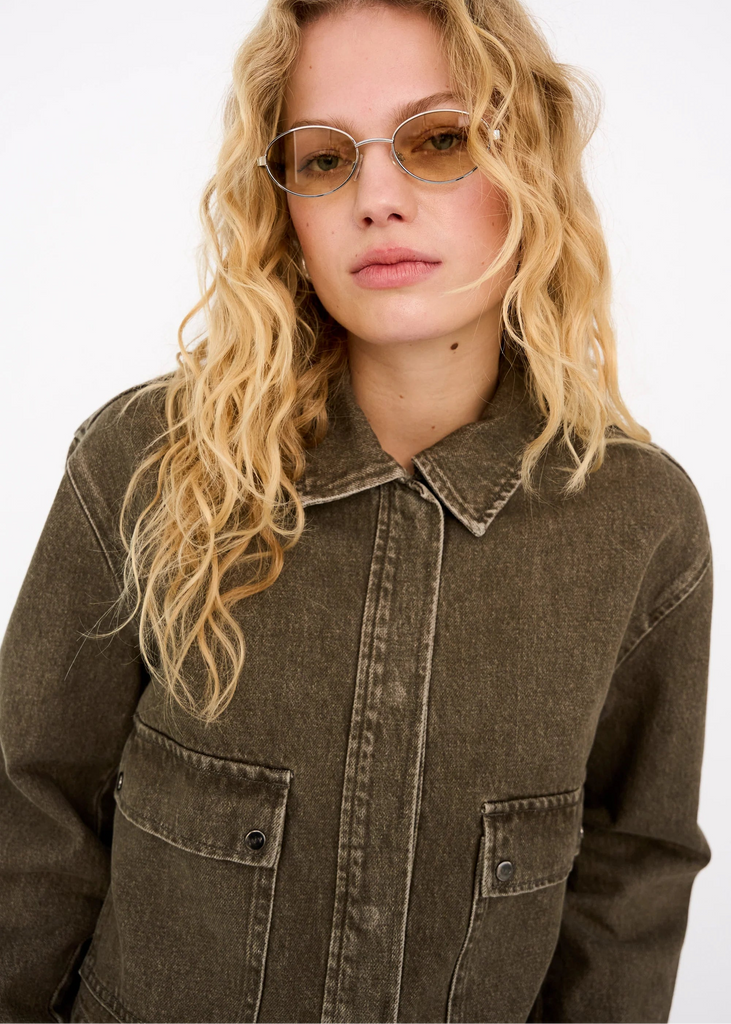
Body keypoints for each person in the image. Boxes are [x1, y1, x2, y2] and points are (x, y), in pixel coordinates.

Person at [0, 0, 714, 1021]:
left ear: (531, 164)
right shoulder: (144, 466)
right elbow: (28, 822)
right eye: (326, 159)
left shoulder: (639, 526)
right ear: (282, 204)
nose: (376, 196)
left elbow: (626, 894)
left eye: (437, 140)